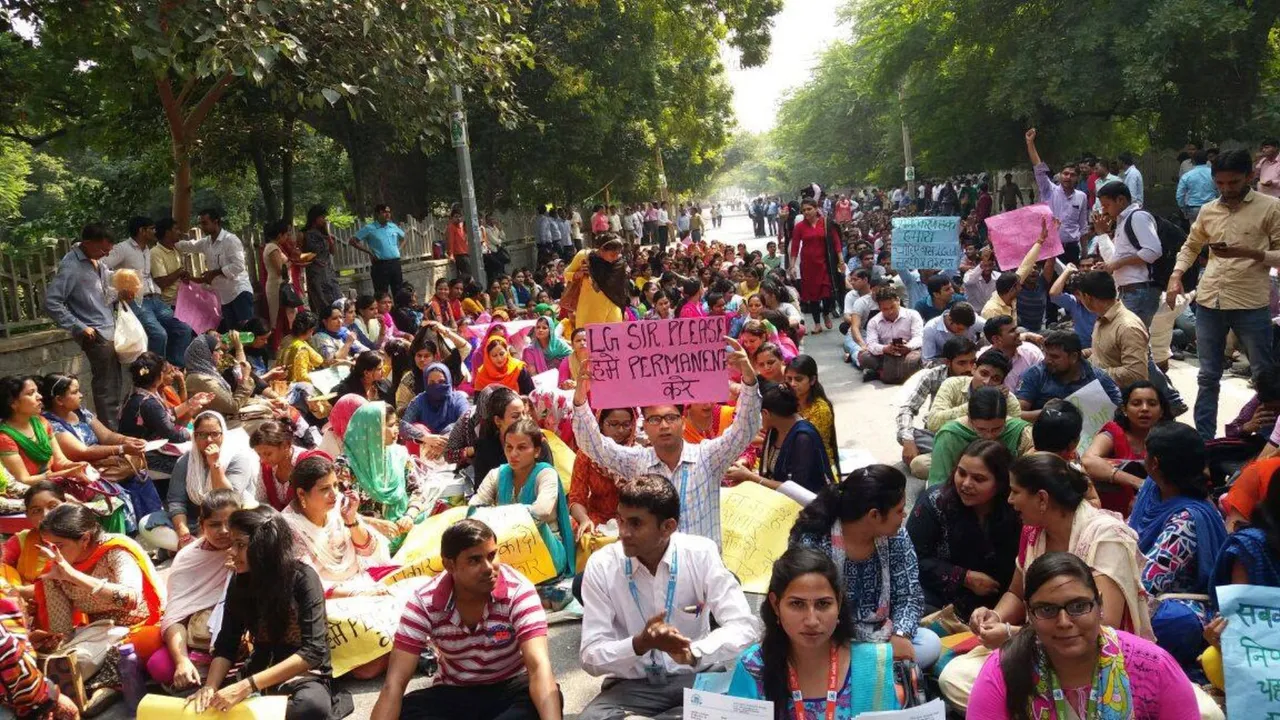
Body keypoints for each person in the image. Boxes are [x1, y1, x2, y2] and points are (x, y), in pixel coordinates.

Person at [938, 453, 1153, 711]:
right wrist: (994, 617)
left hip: (1097, 660)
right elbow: (1017, 594)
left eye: (1015, 492)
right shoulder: (1033, 532)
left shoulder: (1106, 537)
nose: (1009, 500)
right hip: (1041, 651)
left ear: (1041, 498)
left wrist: (1011, 634)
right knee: (953, 677)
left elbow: (1103, 626)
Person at [579, 475, 758, 719]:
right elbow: (590, 654)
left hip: (695, 677)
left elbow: (744, 626)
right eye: (620, 520)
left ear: (668, 527)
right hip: (632, 686)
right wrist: (638, 644)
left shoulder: (700, 554)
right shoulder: (602, 565)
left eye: (635, 523)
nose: (623, 532)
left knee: (745, 713)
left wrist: (694, 652)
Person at [571, 338, 761, 548]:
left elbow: (745, 430)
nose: (663, 425)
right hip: (653, 570)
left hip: (701, 572)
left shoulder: (708, 456)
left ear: (683, 420)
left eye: (670, 417)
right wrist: (580, 398)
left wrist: (749, 379)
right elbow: (594, 446)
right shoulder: (637, 462)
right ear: (645, 425)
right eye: (654, 419)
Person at [965, 552, 1203, 720]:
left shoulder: (1151, 667)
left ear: (1099, 605)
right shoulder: (1003, 671)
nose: (1064, 622)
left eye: (1078, 606)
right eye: (1047, 610)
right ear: (1030, 613)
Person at [371, 519, 561, 720]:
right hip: (454, 692)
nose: (488, 567)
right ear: (449, 565)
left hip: (510, 687)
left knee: (542, 703)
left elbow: (539, 666)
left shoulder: (519, 592)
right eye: (474, 560)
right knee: (407, 711)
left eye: (492, 555)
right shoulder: (424, 602)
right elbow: (395, 683)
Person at [188, 506, 346, 720]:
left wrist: (247, 686)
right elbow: (227, 643)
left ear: (265, 548)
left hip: (303, 675)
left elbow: (313, 651)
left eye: (240, 545)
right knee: (208, 706)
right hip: (260, 667)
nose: (232, 552)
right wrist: (210, 687)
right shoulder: (240, 582)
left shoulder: (303, 578)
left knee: (310, 707)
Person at [1169, 148, 1280, 439]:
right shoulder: (1208, 210)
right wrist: (1176, 275)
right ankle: (1205, 443)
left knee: (1264, 376)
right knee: (1207, 376)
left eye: (1233, 182)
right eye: (1220, 183)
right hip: (1209, 301)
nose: (1227, 189)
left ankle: (1268, 442)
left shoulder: (1270, 208)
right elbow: (1191, 246)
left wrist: (1250, 252)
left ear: (1250, 176)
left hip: (1251, 303)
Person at [790, 465, 942, 668]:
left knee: (929, 643)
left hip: (881, 634)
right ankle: (867, 669)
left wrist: (900, 635)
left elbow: (909, 595)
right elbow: (805, 606)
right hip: (825, 635)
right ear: (874, 515)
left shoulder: (897, 537)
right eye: (899, 510)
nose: (904, 516)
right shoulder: (814, 541)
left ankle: (856, 670)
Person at [726, 545, 901, 717]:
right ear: (775, 605)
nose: (811, 620)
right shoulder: (754, 667)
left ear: (838, 603)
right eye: (797, 604)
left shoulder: (871, 663)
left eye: (823, 604)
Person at [1127, 423, 1227, 670]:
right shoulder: (1154, 488)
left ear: (1155, 463)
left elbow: (1146, 582)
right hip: (1134, 579)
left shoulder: (1186, 520)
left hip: (1174, 601)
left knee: (1171, 622)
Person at [33, 504, 165, 675]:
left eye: (58, 546)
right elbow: (62, 631)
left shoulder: (116, 550)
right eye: (48, 546)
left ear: (85, 539)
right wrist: (51, 644)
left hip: (141, 626)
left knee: (136, 649)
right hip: (97, 634)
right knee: (56, 661)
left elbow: (130, 600)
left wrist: (73, 576)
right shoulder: (55, 572)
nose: (52, 553)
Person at [908, 439, 1020, 620]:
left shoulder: (1016, 509)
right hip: (941, 596)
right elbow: (910, 557)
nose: (966, 483)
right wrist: (963, 577)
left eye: (979, 479)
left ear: (1000, 483)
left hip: (1002, 599)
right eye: (961, 473)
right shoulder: (935, 502)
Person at [40, 372, 165, 532]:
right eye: (74, 392)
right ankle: (127, 535)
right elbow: (82, 452)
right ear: (59, 400)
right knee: (114, 495)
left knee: (139, 477)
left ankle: (155, 527)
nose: (81, 395)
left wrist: (127, 441)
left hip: (106, 462)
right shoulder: (51, 424)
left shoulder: (81, 413)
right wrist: (121, 449)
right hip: (83, 472)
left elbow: (106, 435)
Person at [149, 489, 243, 688]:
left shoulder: (254, 549)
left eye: (230, 523)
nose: (224, 531)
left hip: (240, 635)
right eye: (214, 524)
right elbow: (175, 616)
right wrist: (182, 661)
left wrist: (244, 572)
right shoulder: (188, 558)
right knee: (159, 665)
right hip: (198, 639)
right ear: (201, 526)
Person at [44, 223, 125, 428]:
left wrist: (121, 295)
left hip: (110, 328)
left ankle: (116, 427)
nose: (105, 254)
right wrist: (78, 326)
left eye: (108, 251)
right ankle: (110, 432)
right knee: (105, 387)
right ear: (87, 243)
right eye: (102, 249)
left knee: (116, 383)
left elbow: (104, 295)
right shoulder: (71, 265)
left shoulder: (99, 263)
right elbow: (52, 302)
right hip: (94, 334)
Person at [471, 419, 574, 578]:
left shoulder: (546, 474)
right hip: (508, 548)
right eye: (509, 447)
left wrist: (496, 514)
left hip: (546, 550)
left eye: (522, 447)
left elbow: (542, 512)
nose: (513, 454)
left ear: (537, 451)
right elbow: (473, 508)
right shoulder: (497, 474)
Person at [282, 453, 390, 598]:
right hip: (328, 598)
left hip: (361, 579)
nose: (334, 494)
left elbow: (368, 550)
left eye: (335, 485)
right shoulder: (290, 528)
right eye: (324, 489)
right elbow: (309, 583)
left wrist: (351, 521)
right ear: (301, 493)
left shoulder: (339, 505)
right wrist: (360, 593)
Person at [167, 411, 264, 548]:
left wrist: (215, 464)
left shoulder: (238, 458)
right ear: (195, 436)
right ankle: (192, 544)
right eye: (202, 435)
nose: (209, 440)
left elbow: (229, 499)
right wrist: (183, 531)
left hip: (229, 522)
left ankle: (191, 547)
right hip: (196, 521)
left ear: (223, 434)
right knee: (147, 525)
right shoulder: (186, 461)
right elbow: (176, 501)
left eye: (214, 434)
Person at [107, 215, 193, 366]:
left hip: (155, 299)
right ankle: (154, 373)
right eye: (152, 229)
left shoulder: (147, 249)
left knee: (183, 329)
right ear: (142, 231)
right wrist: (116, 290)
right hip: (137, 301)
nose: (155, 232)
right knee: (159, 334)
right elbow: (101, 265)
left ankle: (174, 368)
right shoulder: (123, 249)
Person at [1080, 381, 1169, 514]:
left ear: (1161, 411)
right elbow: (1088, 461)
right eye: (1136, 403)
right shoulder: (1114, 432)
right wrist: (1138, 483)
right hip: (1112, 516)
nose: (1144, 408)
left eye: (1152, 403)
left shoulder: (1170, 437)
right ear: (1124, 410)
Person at [726, 384, 833, 493]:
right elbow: (769, 474)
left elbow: (798, 490)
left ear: (765, 413)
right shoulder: (774, 430)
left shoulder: (803, 438)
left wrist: (749, 476)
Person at [897, 337, 979, 469]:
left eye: (972, 362)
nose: (969, 368)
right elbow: (908, 408)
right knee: (912, 435)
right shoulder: (933, 376)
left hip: (969, 435)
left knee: (920, 464)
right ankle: (963, 460)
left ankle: (954, 460)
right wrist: (908, 440)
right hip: (937, 432)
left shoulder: (979, 376)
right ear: (948, 362)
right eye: (962, 363)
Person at [928, 387, 1032, 487]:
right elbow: (938, 484)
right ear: (969, 419)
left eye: (996, 429)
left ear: (1006, 419)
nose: (989, 436)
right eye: (981, 429)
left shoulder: (1020, 432)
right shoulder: (949, 436)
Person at [342, 402, 421, 531]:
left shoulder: (398, 455)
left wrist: (409, 516)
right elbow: (338, 510)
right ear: (372, 429)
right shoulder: (346, 466)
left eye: (396, 424)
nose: (396, 430)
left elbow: (416, 490)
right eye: (390, 425)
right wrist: (375, 524)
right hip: (363, 534)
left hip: (401, 527)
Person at [1015, 330, 1121, 421]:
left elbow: (1120, 409)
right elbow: (1017, 414)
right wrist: (1046, 413)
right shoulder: (1035, 374)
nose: (1047, 360)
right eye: (1046, 354)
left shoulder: (1097, 378)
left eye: (1054, 357)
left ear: (1074, 357)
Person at [178, 208, 255, 332]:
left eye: (205, 223)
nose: (202, 227)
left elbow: (239, 266)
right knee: (233, 334)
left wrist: (215, 272)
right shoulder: (206, 243)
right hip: (224, 297)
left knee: (247, 332)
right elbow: (189, 246)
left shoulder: (230, 240)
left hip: (239, 292)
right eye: (200, 223)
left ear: (216, 222)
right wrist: (171, 241)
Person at [1076, 270, 1150, 389]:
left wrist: (1093, 373)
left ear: (1087, 297)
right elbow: (1108, 352)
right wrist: (1082, 354)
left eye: (1080, 296)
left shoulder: (1128, 327)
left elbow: (1136, 374)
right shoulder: (1102, 318)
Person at [568, 406, 635, 539]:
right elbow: (577, 498)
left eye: (626, 425)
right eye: (613, 424)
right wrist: (584, 520)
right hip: (596, 517)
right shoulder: (587, 454)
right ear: (600, 424)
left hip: (631, 520)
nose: (620, 430)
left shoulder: (638, 454)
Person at [1026, 129, 1089, 263]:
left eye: (1072, 175)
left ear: (1077, 178)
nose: (1068, 177)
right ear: (1060, 175)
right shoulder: (1049, 190)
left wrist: (1085, 252)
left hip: (1072, 249)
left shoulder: (1082, 196)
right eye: (1065, 173)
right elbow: (1038, 168)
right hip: (1050, 248)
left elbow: (1083, 226)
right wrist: (1030, 143)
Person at [924, 351, 1018, 434]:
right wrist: (976, 404)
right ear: (974, 369)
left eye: (995, 379)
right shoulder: (952, 384)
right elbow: (933, 423)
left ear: (1002, 382)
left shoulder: (1009, 400)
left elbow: (1014, 433)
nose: (987, 382)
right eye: (984, 374)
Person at [788, 198, 843, 334]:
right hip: (808, 266)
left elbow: (836, 242)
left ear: (816, 208)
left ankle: (826, 312)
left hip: (825, 264)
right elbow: (795, 247)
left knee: (828, 294)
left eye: (809, 209)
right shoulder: (799, 227)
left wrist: (841, 260)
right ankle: (817, 323)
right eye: (804, 210)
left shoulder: (826, 223)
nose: (806, 212)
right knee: (812, 296)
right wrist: (792, 266)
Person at [1, 482, 64, 597]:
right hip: (20, 606)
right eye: (36, 511)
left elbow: (73, 584)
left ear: (67, 506)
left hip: (63, 607)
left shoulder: (80, 541)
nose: (46, 514)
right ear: (28, 516)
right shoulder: (23, 540)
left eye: (53, 506)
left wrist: (24, 592)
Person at [184, 332, 258, 423]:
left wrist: (239, 347)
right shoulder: (201, 379)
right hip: (215, 425)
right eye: (217, 350)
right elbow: (233, 407)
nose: (221, 353)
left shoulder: (208, 371)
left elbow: (240, 368)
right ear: (205, 353)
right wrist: (245, 379)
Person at [981, 220, 1048, 320]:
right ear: (1012, 290)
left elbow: (1026, 265)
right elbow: (996, 336)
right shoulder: (992, 310)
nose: (1021, 287)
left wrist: (1040, 240)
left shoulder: (1009, 297)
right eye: (1018, 286)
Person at [858, 287, 923, 385]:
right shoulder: (874, 322)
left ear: (898, 301)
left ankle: (883, 373)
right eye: (885, 309)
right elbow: (871, 344)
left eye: (892, 307)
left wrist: (908, 347)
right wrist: (886, 348)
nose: (890, 312)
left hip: (909, 353)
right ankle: (896, 372)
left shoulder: (913, 315)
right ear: (879, 307)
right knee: (864, 356)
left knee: (915, 359)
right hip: (886, 356)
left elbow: (919, 337)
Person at [786, 355, 838, 470]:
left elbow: (805, 445)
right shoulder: (787, 401)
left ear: (812, 380)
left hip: (816, 465)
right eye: (789, 379)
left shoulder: (820, 409)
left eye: (798, 379)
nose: (792, 384)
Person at [564, 236, 629, 328]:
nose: (615, 257)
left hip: (614, 305)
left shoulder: (619, 261)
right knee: (590, 338)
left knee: (613, 338)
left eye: (618, 254)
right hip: (590, 308)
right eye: (612, 255)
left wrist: (624, 309)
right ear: (602, 250)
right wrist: (579, 274)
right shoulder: (584, 256)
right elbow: (566, 274)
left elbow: (622, 288)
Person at [979, 315, 1043, 393]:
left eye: (1016, 328)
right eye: (1012, 331)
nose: (1018, 332)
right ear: (996, 339)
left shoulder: (1032, 354)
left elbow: (1044, 383)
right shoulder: (981, 358)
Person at [352, 204, 405, 296]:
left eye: (388, 212)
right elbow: (353, 241)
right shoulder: (369, 228)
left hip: (395, 263)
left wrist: (399, 249)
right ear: (377, 214)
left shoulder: (393, 226)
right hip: (380, 265)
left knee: (399, 291)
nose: (387, 214)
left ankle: (399, 310)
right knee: (381, 293)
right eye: (384, 212)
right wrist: (369, 252)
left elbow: (404, 238)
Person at [251, 420, 303, 511]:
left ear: (285, 445)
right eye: (259, 454)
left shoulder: (305, 463)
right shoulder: (266, 467)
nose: (263, 459)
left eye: (268, 454)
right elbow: (262, 500)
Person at [300, 205, 343, 315]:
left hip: (329, 272)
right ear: (315, 218)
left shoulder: (324, 234)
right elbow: (299, 256)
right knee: (321, 303)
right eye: (322, 218)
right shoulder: (303, 234)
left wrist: (328, 235)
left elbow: (332, 252)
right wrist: (314, 259)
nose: (324, 220)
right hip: (316, 274)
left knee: (336, 300)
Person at [1176, 150, 1218, 223]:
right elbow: (1219, 190)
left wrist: (1184, 209)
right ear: (1207, 160)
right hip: (1211, 207)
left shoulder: (1187, 176)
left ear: (1193, 161)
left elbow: (1179, 195)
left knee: (1195, 233)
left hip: (1193, 209)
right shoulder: (1214, 174)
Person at [963, 249, 999, 317]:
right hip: (973, 315)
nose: (988, 268)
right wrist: (980, 266)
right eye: (984, 265)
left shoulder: (998, 276)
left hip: (992, 313)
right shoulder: (969, 274)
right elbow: (969, 282)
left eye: (990, 265)